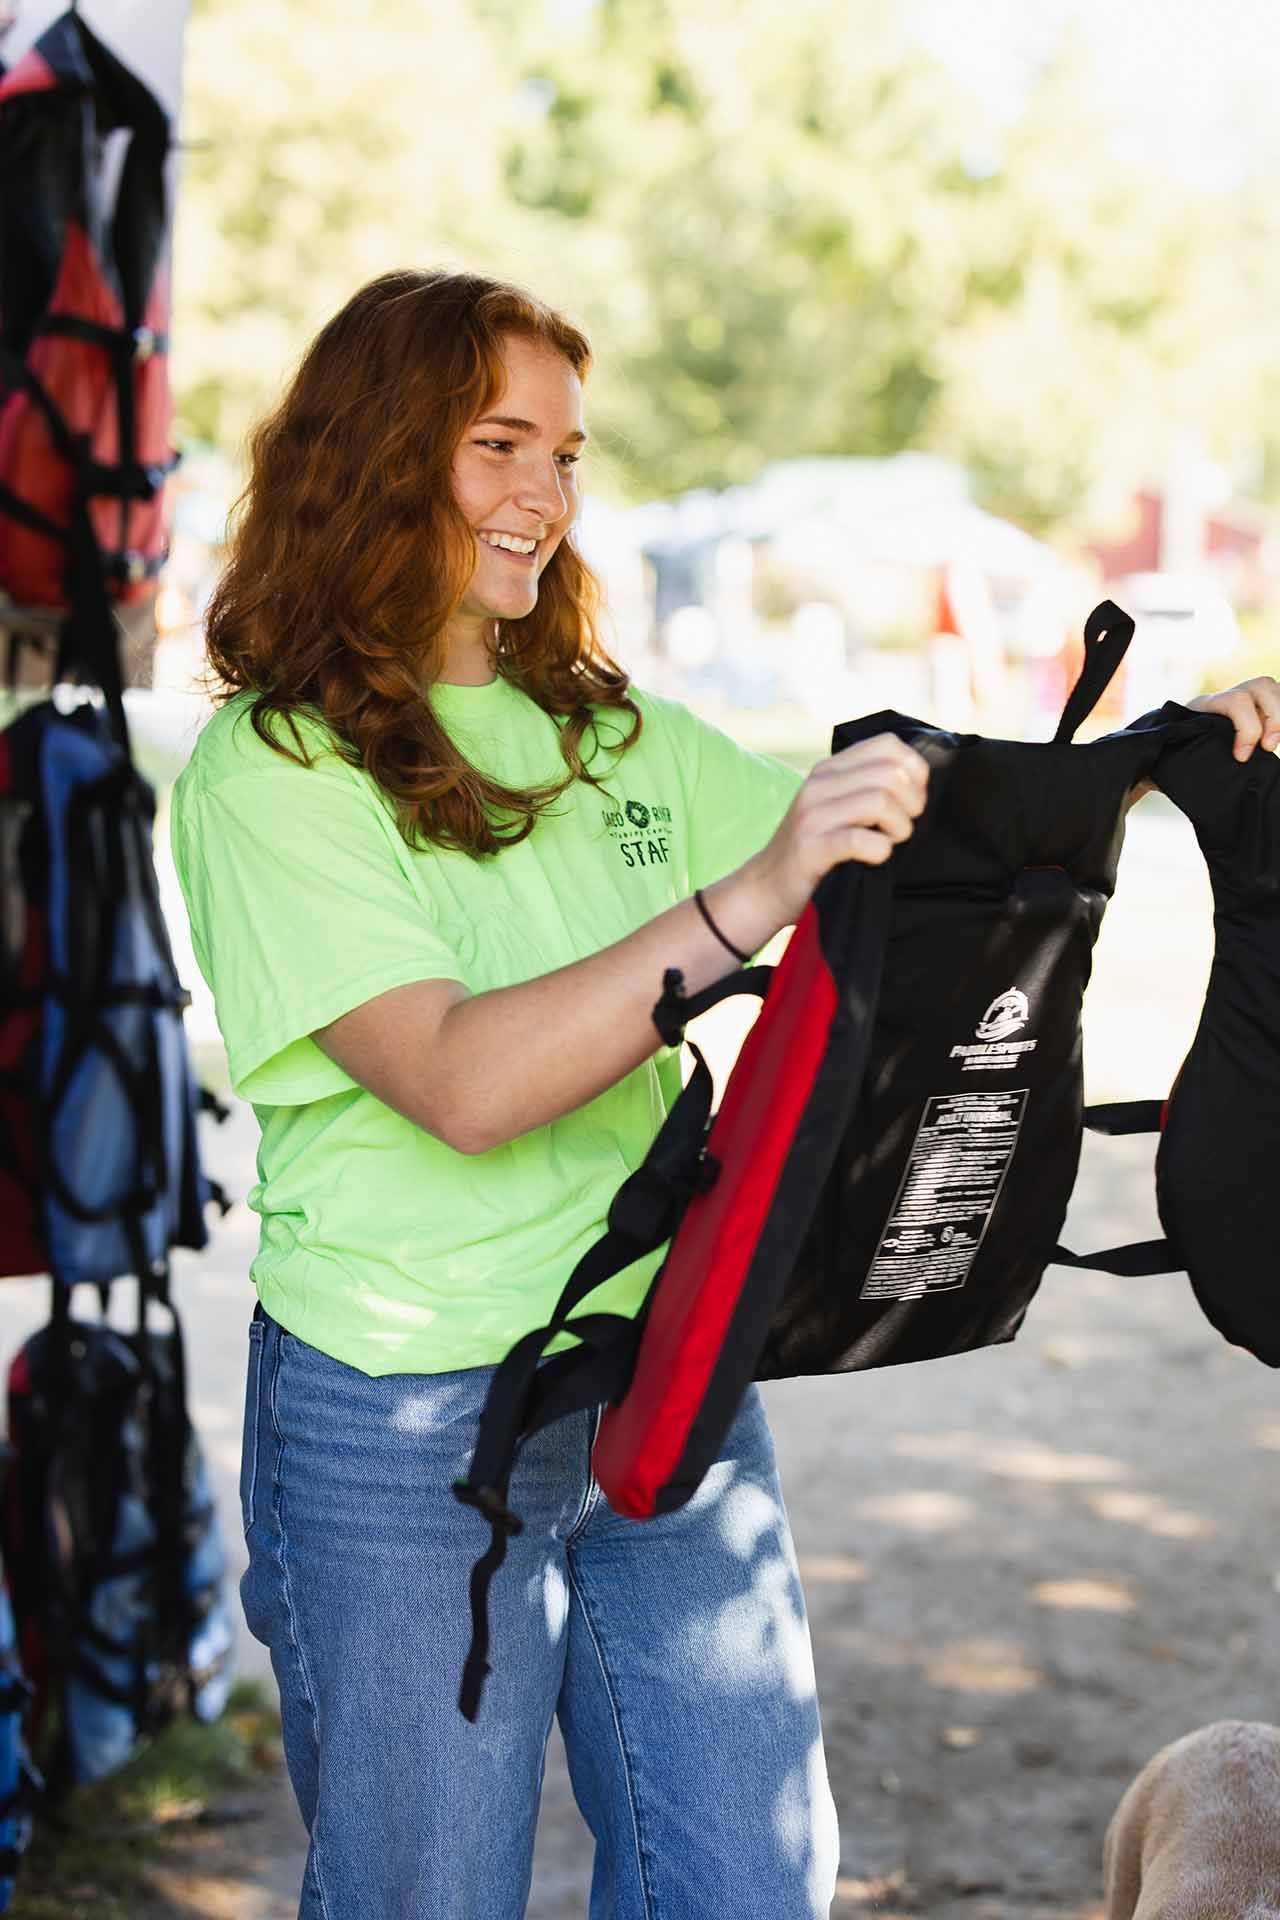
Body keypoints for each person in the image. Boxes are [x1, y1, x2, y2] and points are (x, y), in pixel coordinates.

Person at [171, 268, 1280, 1920]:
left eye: (567, 452)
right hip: (398, 1429)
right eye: (499, 444)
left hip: (660, 1385)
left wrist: (1149, 759)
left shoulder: (614, 734)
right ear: (380, 455)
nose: (545, 496)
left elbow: (901, 845)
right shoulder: (271, 769)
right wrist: (746, 894)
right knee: (429, 1896)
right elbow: (462, 1082)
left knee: (749, 1882)